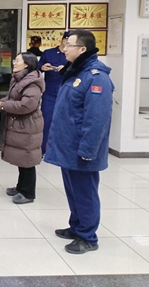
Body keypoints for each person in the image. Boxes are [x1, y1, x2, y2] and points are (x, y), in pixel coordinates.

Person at [44, 30, 114, 254]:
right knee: (73, 190)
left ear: (82, 49)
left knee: (85, 193)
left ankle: (88, 237)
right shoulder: (76, 72)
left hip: (82, 148)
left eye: (69, 46)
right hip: (69, 146)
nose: (64, 49)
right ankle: (76, 227)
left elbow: (97, 119)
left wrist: (88, 149)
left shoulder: (96, 77)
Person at [0, 52, 45, 204]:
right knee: (22, 158)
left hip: (28, 125)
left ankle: (28, 193)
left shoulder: (32, 82)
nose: (14, 63)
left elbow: (26, 105)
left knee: (27, 160)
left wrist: (4, 105)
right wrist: (2, 102)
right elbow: (12, 98)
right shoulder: (19, 79)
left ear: (27, 64)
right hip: (21, 125)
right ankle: (20, 187)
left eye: (17, 61)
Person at [38, 31, 69, 154]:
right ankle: (43, 149)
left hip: (66, 93)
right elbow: (37, 68)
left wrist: (66, 69)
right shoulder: (48, 53)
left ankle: (61, 150)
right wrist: (43, 68)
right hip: (50, 93)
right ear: (64, 40)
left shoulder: (72, 56)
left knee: (65, 123)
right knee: (46, 121)